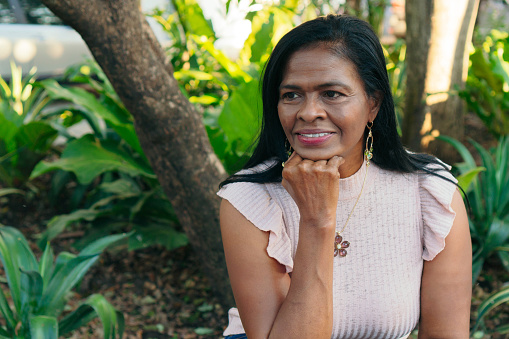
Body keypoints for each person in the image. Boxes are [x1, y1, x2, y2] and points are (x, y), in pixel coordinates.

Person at [217, 14, 472, 339]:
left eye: (332, 93)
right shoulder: (251, 201)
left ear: (373, 104)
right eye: (291, 95)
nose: (308, 112)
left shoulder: (430, 192)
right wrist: (316, 222)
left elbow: (444, 334)